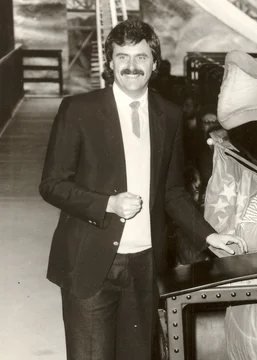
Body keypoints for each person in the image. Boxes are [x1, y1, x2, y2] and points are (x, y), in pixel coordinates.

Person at [39, 19, 246, 360]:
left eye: (140, 57)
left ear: (154, 62)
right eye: (122, 57)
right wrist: (106, 203)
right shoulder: (78, 110)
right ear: (110, 62)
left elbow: (173, 192)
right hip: (90, 262)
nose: (131, 66)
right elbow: (51, 185)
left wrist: (210, 237)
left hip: (144, 266)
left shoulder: (170, 114)